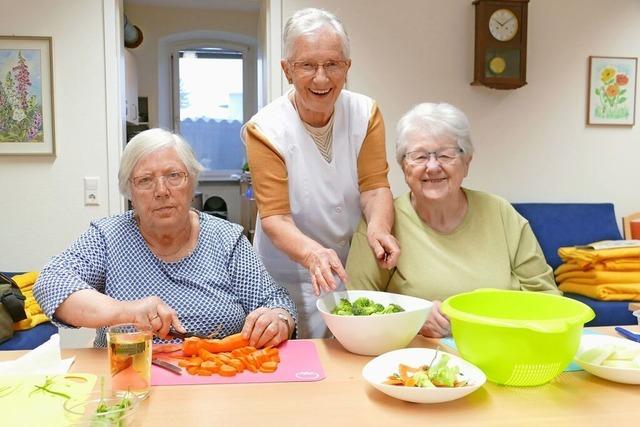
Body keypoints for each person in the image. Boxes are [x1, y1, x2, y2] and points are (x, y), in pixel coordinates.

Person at [33, 128, 297, 348]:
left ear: (191, 182)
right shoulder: (108, 237)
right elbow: (52, 283)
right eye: (145, 180)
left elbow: (275, 301)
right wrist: (127, 312)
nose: (162, 191)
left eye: (174, 176)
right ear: (129, 191)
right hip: (130, 380)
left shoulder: (226, 238)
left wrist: (278, 319)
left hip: (216, 384)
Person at [242, 8, 400, 338]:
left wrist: (379, 229)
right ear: (287, 70)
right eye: (307, 65)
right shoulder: (266, 129)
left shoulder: (365, 113)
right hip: (287, 270)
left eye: (332, 64)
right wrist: (312, 254)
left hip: (350, 265)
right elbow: (276, 218)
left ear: (347, 67)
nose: (321, 78)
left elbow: (374, 188)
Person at [346, 102, 560, 338]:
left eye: (446, 155)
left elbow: (548, 300)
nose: (433, 167)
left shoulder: (501, 212)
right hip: (414, 366)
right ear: (403, 165)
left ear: (467, 162)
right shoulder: (381, 224)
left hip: (504, 355)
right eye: (419, 156)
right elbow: (355, 309)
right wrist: (412, 319)